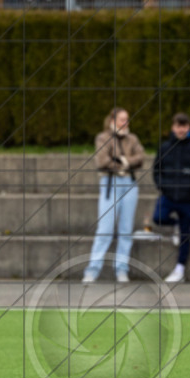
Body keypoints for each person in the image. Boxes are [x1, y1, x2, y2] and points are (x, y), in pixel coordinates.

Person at [82, 107, 145, 284]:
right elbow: (102, 161)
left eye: (127, 119)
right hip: (111, 184)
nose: (125, 123)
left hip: (130, 185)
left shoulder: (132, 138)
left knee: (126, 230)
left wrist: (122, 161)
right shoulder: (103, 138)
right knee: (105, 230)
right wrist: (124, 164)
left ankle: (121, 269)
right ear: (112, 121)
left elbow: (140, 157)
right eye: (121, 119)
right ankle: (92, 270)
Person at [151, 112, 190, 283]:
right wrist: (163, 186)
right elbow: (156, 170)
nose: (181, 130)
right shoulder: (165, 147)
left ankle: (180, 268)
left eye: (184, 126)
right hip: (168, 195)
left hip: (188, 199)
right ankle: (174, 225)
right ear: (173, 127)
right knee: (158, 218)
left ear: (188, 127)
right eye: (178, 126)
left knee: (185, 233)